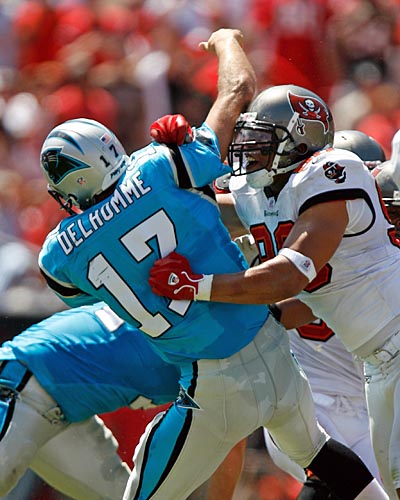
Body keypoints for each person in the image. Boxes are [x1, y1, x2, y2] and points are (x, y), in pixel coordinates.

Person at [36, 30, 387, 500]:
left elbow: (83, 287)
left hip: (214, 380)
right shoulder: (163, 165)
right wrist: (225, 40)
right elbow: (238, 90)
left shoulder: (58, 254)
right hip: (276, 353)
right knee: (320, 456)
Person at [148, 83, 400, 498]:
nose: (250, 149)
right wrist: (172, 161)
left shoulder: (330, 170)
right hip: (374, 361)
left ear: (301, 138)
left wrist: (196, 286)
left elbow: (289, 276)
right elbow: (200, 208)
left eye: (263, 139)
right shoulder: (267, 192)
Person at [0, 302, 178, 499]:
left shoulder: (181, 316)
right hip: (19, 382)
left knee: (123, 495)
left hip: (65, 407)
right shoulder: (198, 339)